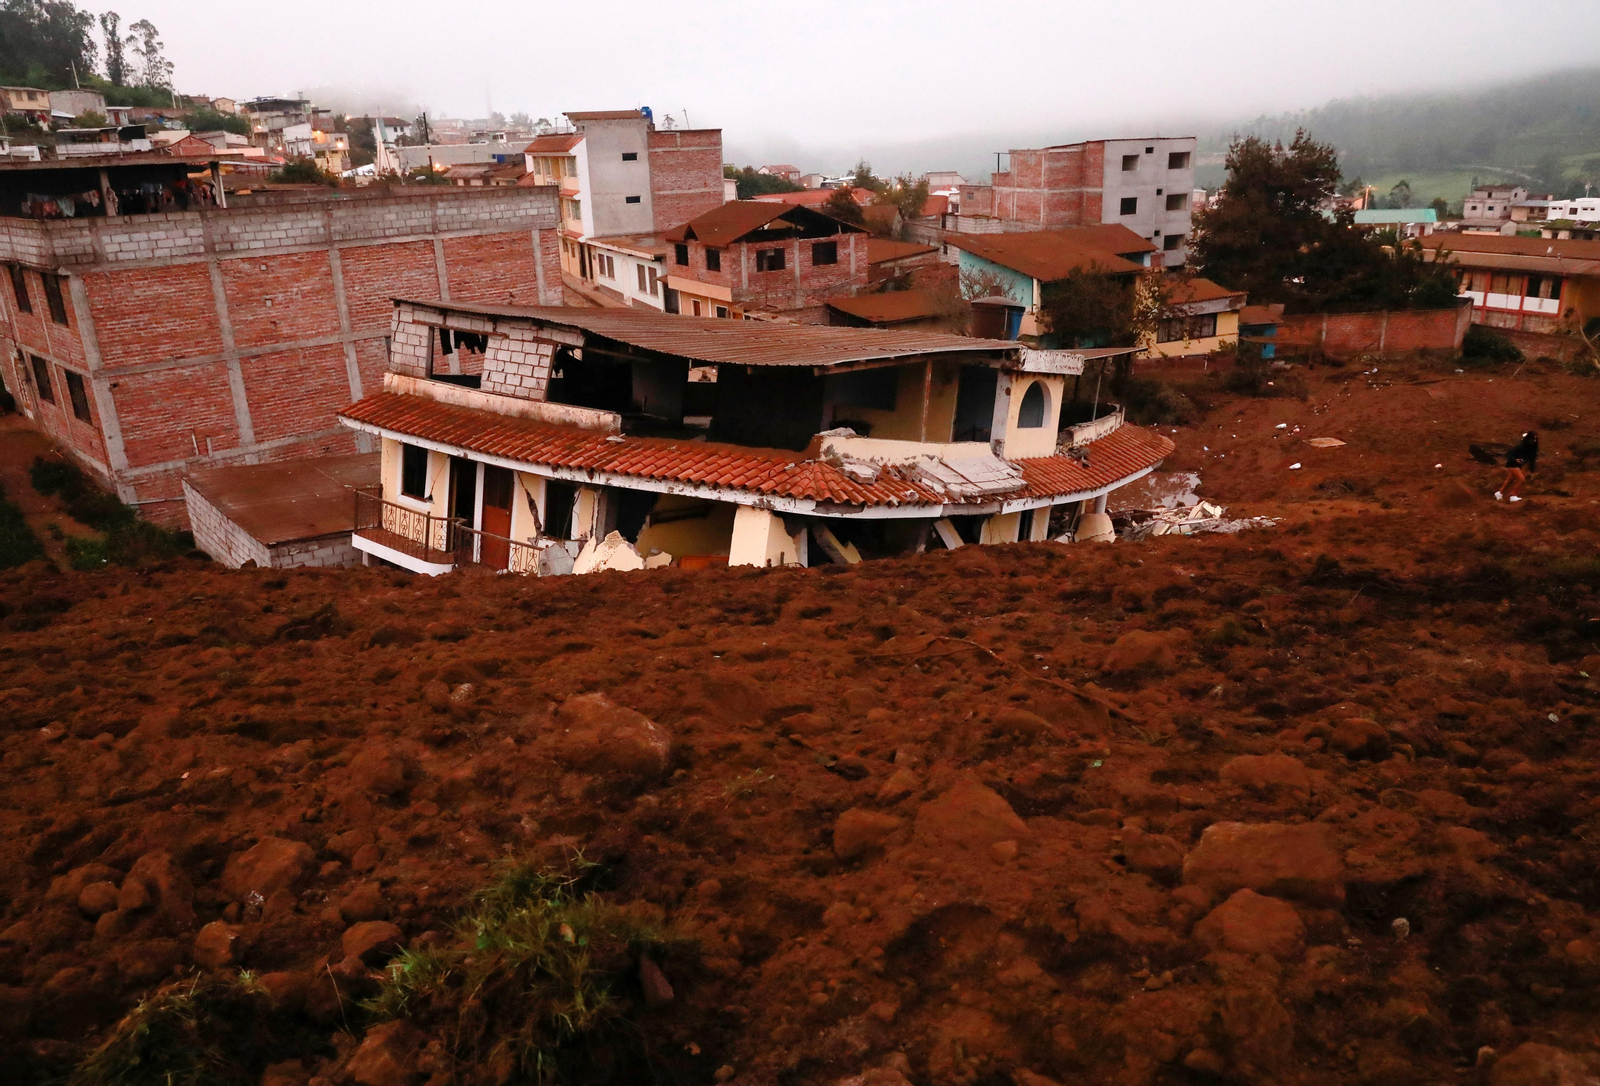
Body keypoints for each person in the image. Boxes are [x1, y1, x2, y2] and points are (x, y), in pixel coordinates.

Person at [1496, 431, 1538, 502]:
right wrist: (1515, 460)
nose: (1534, 441)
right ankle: (1513, 495)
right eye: (1532, 439)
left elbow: (1532, 459)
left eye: (1535, 439)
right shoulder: (1521, 446)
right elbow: (1508, 454)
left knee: (1510, 479)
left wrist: (1532, 469)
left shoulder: (1533, 448)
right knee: (1521, 479)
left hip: (1519, 465)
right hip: (1512, 464)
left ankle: (1500, 493)